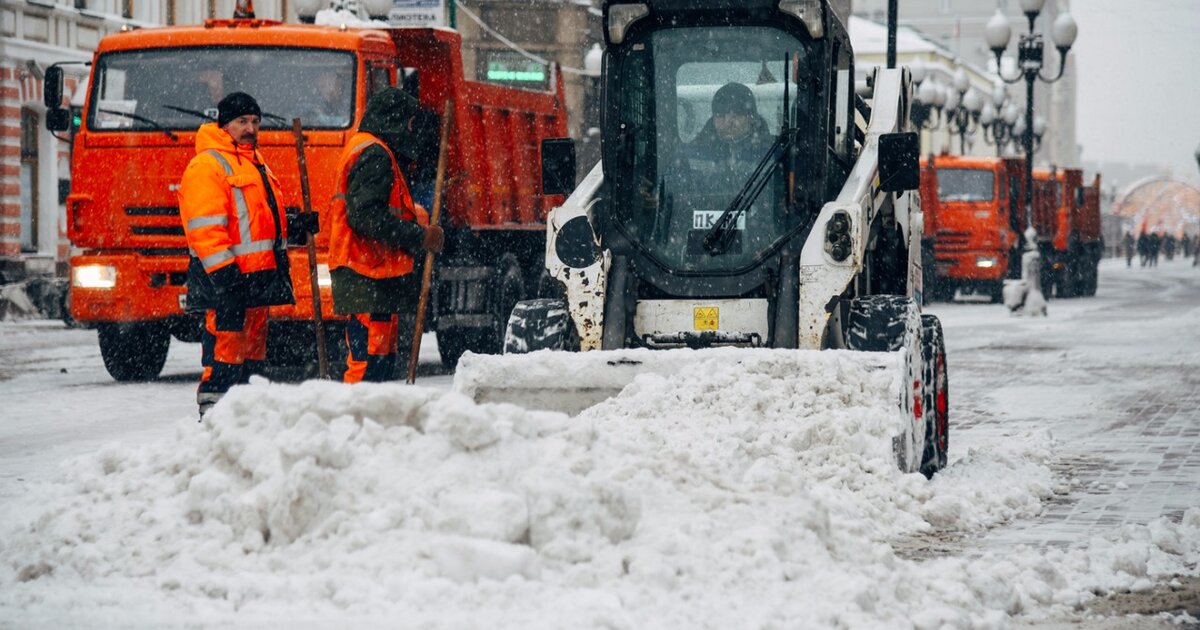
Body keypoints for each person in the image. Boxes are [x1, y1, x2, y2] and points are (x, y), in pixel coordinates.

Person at [178, 92, 294, 418]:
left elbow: (255, 218)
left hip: (255, 280)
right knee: (224, 352)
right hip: (227, 281)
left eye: (255, 121)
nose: (250, 128)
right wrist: (225, 273)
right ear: (225, 124)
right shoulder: (208, 164)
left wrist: (294, 225)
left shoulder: (255, 162)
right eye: (242, 121)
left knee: (252, 357)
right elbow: (205, 227)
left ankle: (248, 418)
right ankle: (214, 417)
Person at [328, 87, 444, 383]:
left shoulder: (370, 148)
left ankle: (372, 422)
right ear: (393, 120)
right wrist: (419, 236)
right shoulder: (375, 154)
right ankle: (357, 422)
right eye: (407, 122)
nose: (410, 130)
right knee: (368, 363)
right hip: (367, 270)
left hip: (373, 270)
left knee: (378, 360)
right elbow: (367, 217)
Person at [686, 82, 774, 178]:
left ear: (751, 118)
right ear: (713, 118)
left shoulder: (774, 152)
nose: (728, 122)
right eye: (721, 115)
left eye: (737, 115)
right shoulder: (692, 154)